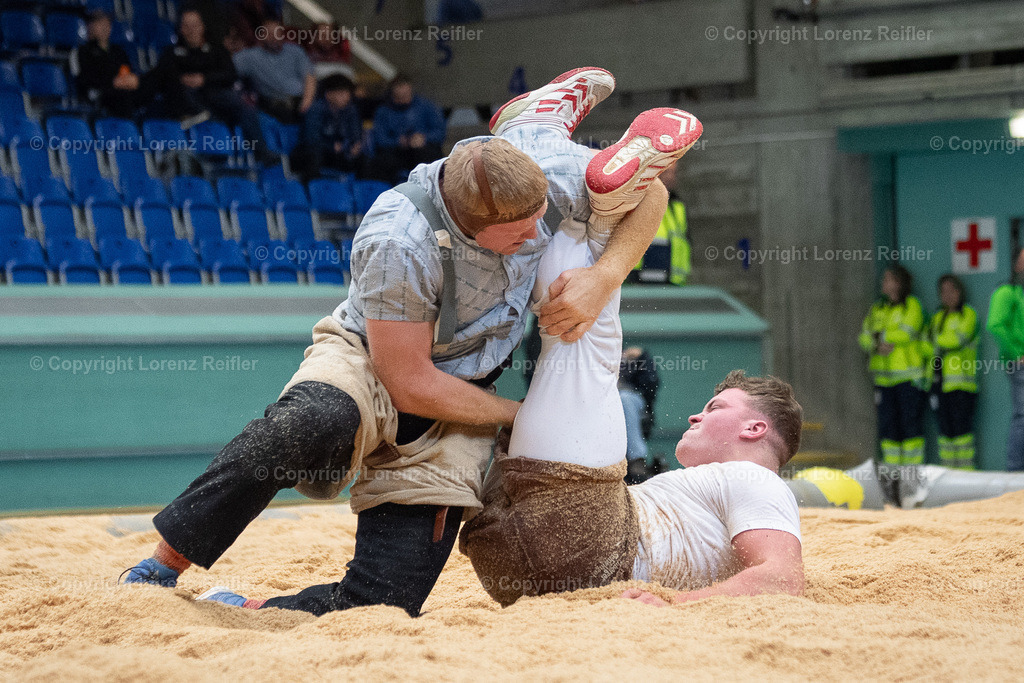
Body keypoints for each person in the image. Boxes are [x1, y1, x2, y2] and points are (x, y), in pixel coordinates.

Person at [120, 68, 690, 619]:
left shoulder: (549, 178)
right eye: (518, 234)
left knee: (385, 602)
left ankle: (244, 606)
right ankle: (162, 565)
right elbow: (408, 383)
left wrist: (605, 275)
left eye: (540, 218)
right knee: (309, 422)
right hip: (372, 361)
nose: (535, 236)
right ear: (469, 227)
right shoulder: (399, 240)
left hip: (465, 383)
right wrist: (520, 417)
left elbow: (652, 196)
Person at [457, 206, 802, 606]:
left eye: (715, 408)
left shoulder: (756, 479)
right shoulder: (711, 491)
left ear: (754, 429)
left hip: (582, 545)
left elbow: (783, 578)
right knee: (575, 342)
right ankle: (584, 219)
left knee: (586, 334)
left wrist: (675, 604)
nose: (695, 415)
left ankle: (580, 208)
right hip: (519, 554)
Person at [148, 9, 267, 157]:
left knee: (244, 106)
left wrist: (204, 79)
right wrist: (183, 79)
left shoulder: (217, 51)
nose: (191, 30)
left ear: (202, 27)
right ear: (181, 29)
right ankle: (213, 143)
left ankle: (261, 152)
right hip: (187, 98)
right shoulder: (171, 53)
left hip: (216, 94)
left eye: (194, 25)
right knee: (193, 105)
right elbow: (161, 76)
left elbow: (230, 75)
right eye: (186, 26)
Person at [858, 264, 926, 470]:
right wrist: (876, 343)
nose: (883, 283)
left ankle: (912, 473)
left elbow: (907, 333)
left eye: (887, 279)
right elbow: (863, 337)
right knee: (888, 428)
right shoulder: (877, 308)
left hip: (908, 378)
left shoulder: (912, 305)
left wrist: (879, 336)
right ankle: (892, 474)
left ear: (899, 282)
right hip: (883, 380)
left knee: (910, 426)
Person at [925, 274, 978, 470]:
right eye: (943, 291)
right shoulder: (937, 318)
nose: (948, 295)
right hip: (939, 383)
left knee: (962, 432)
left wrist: (937, 341)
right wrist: (938, 343)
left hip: (962, 385)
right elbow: (925, 345)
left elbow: (957, 340)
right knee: (945, 432)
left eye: (952, 290)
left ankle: (966, 474)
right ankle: (948, 474)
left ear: (960, 291)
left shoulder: (968, 314)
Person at [233, 18, 316, 124]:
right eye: (270, 34)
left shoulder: (295, 50)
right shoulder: (249, 56)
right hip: (273, 105)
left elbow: (309, 76)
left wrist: (307, 100)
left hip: (302, 100)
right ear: (261, 36)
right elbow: (229, 70)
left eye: (278, 33)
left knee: (318, 109)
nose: (274, 37)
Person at [368, 74, 447, 182]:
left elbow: (440, 132)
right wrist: (399, 141)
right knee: (382, 161)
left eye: (406, 94)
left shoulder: (426, 106)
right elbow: (380, 139)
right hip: (396, 153)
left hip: (422, 150)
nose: (404, 98)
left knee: (430, 155)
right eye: (400, 95)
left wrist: (423, 138)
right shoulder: (383, 111)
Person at [987, 247, 1024, 471]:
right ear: (1017, 265)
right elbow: (995, 325)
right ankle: (1015, 471)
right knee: (1023, 415)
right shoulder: (1006, 292)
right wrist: (1017, 354)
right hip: (1020, 365)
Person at [630, 160, 690, 285]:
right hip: (641, 279)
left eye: (674, 173)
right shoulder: (639, 201)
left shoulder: (678, 206)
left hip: (673, 281)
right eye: (667, 172)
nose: (671, 177)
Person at [292, 74, 363, 180]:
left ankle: (362, 189)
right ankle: (310, 185)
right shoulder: (316, 109)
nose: (346, 98)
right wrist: (331, 146)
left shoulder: (350, 110)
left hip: (339, 151)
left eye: (348, 94)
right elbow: (311, 138)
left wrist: (354, 145)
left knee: (364, 159)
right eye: (341, 94)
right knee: (314, 154)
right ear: (328, 94)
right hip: (313, 151)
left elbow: (355, 132)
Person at [74, 10, 140, 119]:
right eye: (100, 24)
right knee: (122, 97)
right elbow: (84, 79)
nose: (105, 28)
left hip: (121, 90)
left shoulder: (118, 51)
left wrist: (130, 80)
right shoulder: (83, 51)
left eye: (107, 24)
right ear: (91, 26)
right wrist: (112, 82)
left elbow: (127, 70)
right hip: (99, 92)